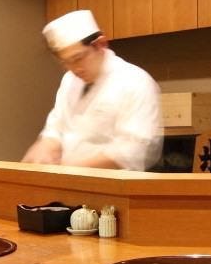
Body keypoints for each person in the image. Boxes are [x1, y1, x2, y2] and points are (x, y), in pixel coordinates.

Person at [22, 9, 162, 170]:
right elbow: (57, 126)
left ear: (100, 44)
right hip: (68, 178)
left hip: (112, 183)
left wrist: (70, 168)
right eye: (66, 62)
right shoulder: (69, 80)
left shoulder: (135, 81)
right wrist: (46, 145)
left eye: (78, 58)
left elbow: (134, 150)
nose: (74, 69)